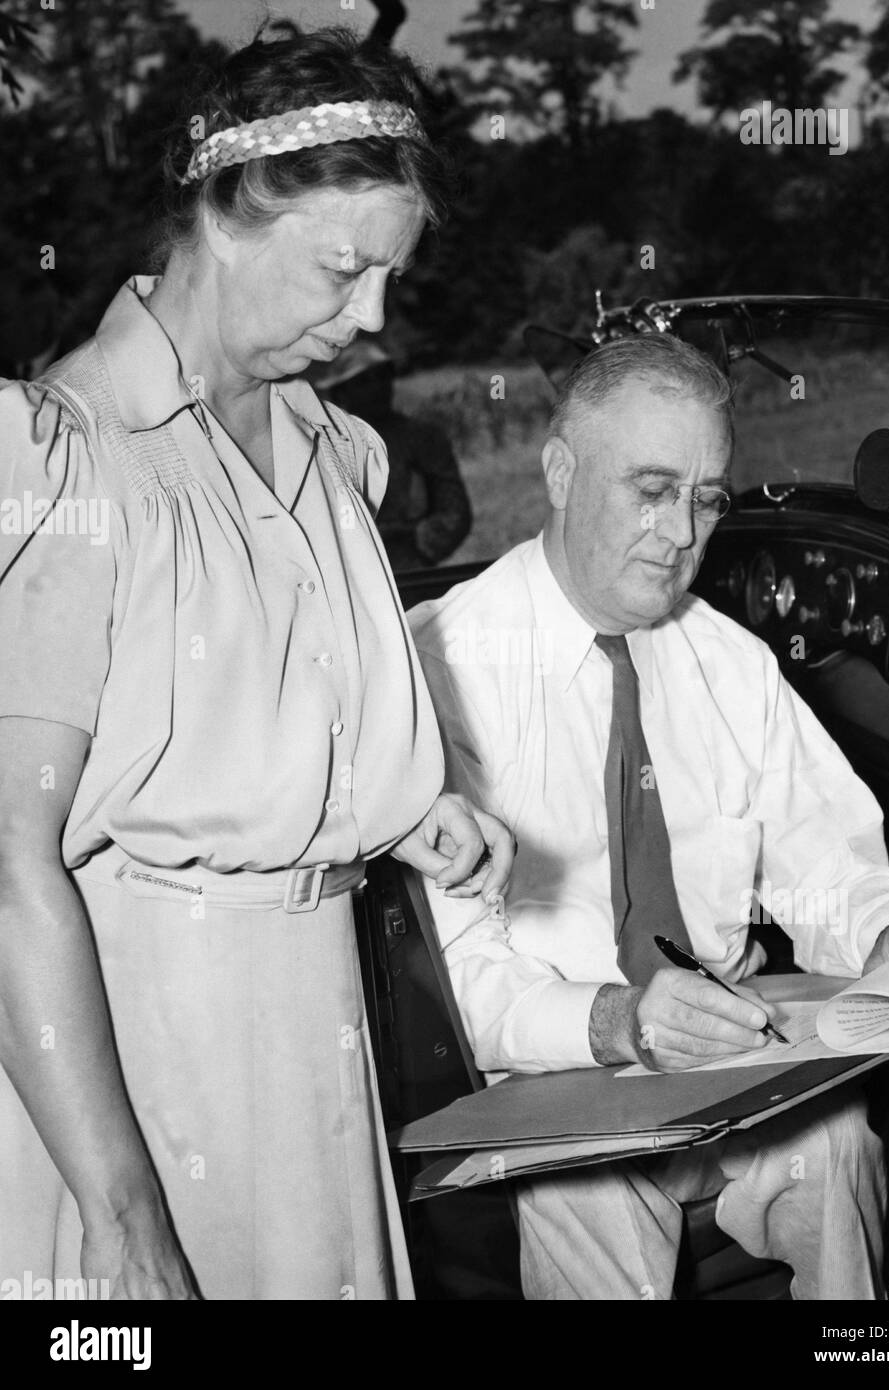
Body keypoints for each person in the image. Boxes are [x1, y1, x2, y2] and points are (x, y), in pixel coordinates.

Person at [0, 27, 513, 1301]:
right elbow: (9, 858)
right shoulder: (79, 458)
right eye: (344, 269)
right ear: (231, 216)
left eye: (391, 276)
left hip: (317, 1036)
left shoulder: (332, 455)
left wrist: (398, 812)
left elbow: (230, 724)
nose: (373, 317)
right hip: (144, 1064)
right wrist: (121, 1216)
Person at [407, 334, 889, 1301]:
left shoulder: (729, 665)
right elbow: (463, 988)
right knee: (593, 1186)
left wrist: (888, 927)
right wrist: (620, 1023)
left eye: (705, 500)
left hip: (731, 1060)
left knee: (832, 1143)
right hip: (556, 1068)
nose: (679, 533)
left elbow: (820, 862)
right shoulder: (441, 668)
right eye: (650, 489)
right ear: (561, 471)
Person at [314, 340, 472, 570]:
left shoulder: (423, 437)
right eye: (363, 382)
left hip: (411, 567)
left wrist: (420, 543)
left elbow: (455, 511)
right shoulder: (323, 447)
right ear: (341, 392)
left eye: (382, 376)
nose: (377, 387)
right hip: (348, 571)